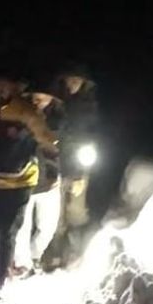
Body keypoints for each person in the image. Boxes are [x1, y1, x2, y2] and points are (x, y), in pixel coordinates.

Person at [0, 73, 58, 300]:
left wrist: (52, 170)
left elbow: (47, 142)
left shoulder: (27, 113)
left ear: (13, 89)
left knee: (8, 232)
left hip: (20, 182)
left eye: (3, 87)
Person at [50, 64, 100, 267]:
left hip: (79, 161)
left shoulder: (90, 105)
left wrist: (81, 168)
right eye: (69, 80)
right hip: (57, 161)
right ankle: (53, 252)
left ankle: (74, 252)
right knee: (57, 212)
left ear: (84, 83)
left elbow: (94, 133)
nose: (72, 84)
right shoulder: (56, 102)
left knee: (77, 211)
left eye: (76, 81)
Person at [11, 87, 63, 275]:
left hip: (50, 180)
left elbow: (67, 148)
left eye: (42, 97)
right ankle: (22, 264)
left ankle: (34, 256)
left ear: (52, 98)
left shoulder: (59, 120)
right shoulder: (20, 116)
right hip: (24, 179)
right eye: (34, 97)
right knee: (21, 226)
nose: (37, 101)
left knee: (48, 225)